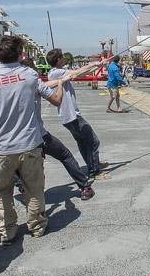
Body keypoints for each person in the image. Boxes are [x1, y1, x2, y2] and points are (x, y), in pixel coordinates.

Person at [0, 36, 65, 244]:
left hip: (2, 147)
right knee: (35, 189)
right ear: (20, 54)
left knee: (3, 192)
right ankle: (36, 226)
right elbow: (55, 100)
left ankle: (7, 231)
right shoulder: (30, 75)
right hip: (30, 144)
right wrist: (61, 85)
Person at [19, 59, 94, 201]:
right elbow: (56, 99)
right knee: (65, 155)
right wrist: (60, 84)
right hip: (37, 136)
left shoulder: (2, 83)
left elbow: (46, 84)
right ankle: (85, 186)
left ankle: (22, 188)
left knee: (12, 166)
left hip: (10, 140)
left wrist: (60, 80)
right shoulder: (34, 82)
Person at [46, 49, 109, 179]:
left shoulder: (57, 72)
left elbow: (80, 73)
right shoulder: (56, 73)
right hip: (71, 115)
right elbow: (76, 73)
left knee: (82, 142)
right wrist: (96, 63)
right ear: (58, 60)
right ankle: (94, 171)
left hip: (69, 115)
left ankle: (93, 164)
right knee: (93, 141)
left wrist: (99, 65)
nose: (64, 59)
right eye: (62, 57)